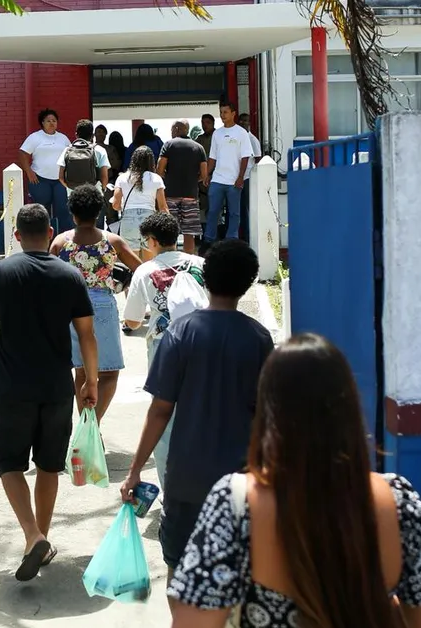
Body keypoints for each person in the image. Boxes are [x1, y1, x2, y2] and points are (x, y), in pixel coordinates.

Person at [164, 334, 421, 628]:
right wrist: (359, 600)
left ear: (267, 411)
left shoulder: (237, 502)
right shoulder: (397, 500)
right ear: (348, 408)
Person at [121, 240, 272, 573]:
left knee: (181, 567)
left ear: (208, 278)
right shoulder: (259, 338)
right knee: (237, 568)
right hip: (241, 479)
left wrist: (134, 472)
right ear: (248, 282)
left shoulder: (179, 334)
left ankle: (187, 624)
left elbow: (160, 411)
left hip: (187, 477)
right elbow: (267, 414)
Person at [0, 203, 98, 582]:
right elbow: (87, 335)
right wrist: (90, 382)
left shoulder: (2, 272)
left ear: (17, 235)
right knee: (48, 465)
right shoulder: (69, 274)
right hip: (57, 387)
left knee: (9, 464)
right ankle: (41, 539)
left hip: (12, 387)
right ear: (50, 231)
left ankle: (32, 536)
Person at [121, 212, 204, 486]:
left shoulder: (145, 271)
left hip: (163, 345)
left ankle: (171, 491)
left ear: (152, 241)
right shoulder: (202, 265)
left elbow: (132, 320)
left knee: (164, 418)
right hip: (204, 343)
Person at [51, 185, 141, 425]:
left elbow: (48, 276)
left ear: (72, 213)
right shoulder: (113, 241)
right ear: (99, 211)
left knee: (80, 371)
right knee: (109, 372)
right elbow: (141, 270)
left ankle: (86, 426)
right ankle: (93, 424)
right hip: (102, 306)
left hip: (69, 308)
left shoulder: (60, 242)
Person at [204, 101, 252, 244]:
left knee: (234, 213)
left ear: (233, 114)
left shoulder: (241, 133)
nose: (222, 115)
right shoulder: (217, 134)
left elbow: (245, 157)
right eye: (221, 112)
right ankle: (209, 239)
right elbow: (212, 157)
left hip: (234, 181)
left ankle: (232, 240)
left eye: (225, 112)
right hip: (217, 179)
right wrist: (207, 174)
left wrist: (240, 177)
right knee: (212, 211)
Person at [157, 120, 208, 255]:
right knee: (189, 232)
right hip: (190, 195)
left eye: (172, 129)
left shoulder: (168, 145)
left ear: (177, 129)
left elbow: (160, 168)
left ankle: (172, 258)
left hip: (171, 194)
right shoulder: (199, 148)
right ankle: (188, 259)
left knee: (170, 230)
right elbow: (204, 174)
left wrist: (167, 178)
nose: (171, 132)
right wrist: (193, 180)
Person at [18, 108, 72, 232]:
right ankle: (42, 240)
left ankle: (65, 241)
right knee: (42, 211)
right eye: (48, 121)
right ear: (42, 122)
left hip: (60, 180)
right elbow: (22, 153)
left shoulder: (63, 138)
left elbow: (70, 156)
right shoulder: (35, 137)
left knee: (63, 210)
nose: (52, 123)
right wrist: (29, 172)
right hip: (40, 179)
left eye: (54, 120)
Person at [113, 146, 168, 262]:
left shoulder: (122, 178)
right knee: (149, 263)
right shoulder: (156, 179)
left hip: (128, 220)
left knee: (131, 263)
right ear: (151, 161)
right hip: (149, 220)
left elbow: (115, 205)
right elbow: (163, 207)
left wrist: (125, 206)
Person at [59, 119, 111, 228]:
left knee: (75, 233)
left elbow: (61, 178)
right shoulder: (99, 150)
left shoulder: (67, 150)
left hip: (74, 197)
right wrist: (102, 189)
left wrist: (71, 187)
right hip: (95, 196)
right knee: (97, 232)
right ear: (92, 135)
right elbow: (104, 177)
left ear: (76, 134)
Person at [237, 113, 263, 242]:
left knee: (246, 209)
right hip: (236, 178)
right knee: (239, 209)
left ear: (249, 123)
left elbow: (258, 159)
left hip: (247, 178)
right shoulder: (238, 137)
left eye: (245, 120)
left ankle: (247, 238)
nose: (242, 122)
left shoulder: (252, 139)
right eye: (241, 120)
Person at [195, 113, 215, 227]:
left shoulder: (218, 136)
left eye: (208, 123)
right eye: (203, 123)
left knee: (215, 208)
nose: (205, 125)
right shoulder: (199, 140)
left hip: (216, 178)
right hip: (202, 181)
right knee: (203, 208)